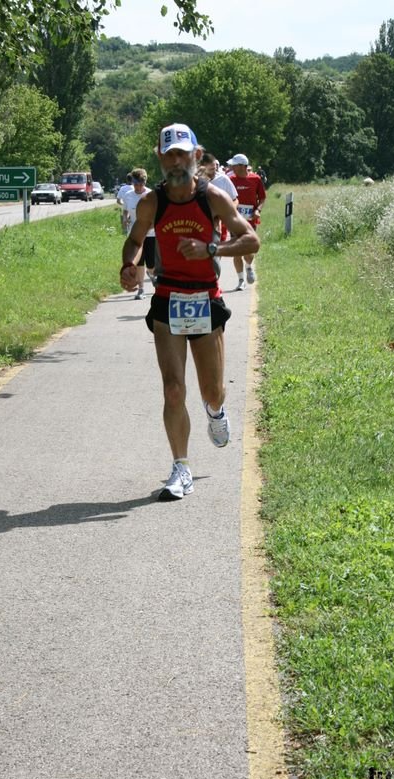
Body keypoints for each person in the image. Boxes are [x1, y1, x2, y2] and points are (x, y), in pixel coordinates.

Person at [119, 123, 260, 501]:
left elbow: (251, 239)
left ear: (197, 156)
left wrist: (211, 250)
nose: (177, 161)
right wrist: (128, 267)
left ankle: (215, 412)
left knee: (212, 391)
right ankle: (181, 467)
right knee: (173, 388)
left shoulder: (211, 198)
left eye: (183, 154)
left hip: (204, 298)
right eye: (170, 155)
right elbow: (134, 241)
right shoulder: (152, 202)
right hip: (167, 298)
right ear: (160, 158)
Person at [226, 153, 266, 290]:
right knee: (236, 250)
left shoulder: (255, 179)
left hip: (250, 220)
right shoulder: (230, 180)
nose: (232, 167)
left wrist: (258, 210)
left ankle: (249, 266)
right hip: (235, 220)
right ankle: (241, 280)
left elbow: (262, 198)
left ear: (243, 166)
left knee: (248, 250)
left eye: (234, 165)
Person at [121, 168, 156, 299]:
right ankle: (141, 290)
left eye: (141, 184)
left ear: (145, 182)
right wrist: (125, 219)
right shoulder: (128, 195)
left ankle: (152, 274)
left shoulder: (151, 195)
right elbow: (125, 210)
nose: (138, 187)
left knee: (152, 263)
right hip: (135, 234)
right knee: (139, 262)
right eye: (136, 184)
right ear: (132, 183)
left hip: (151, 233)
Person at [199, 152, 238, 241]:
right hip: (199, 223)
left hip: (219, 222)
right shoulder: (195, 181)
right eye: (210, 169)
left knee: (216, 249)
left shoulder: (223, 179)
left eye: (214, 168)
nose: (213, 172)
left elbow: (235, 200)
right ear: (202, 166)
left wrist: (229, 212)